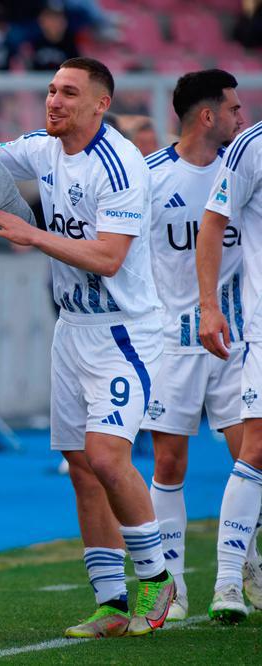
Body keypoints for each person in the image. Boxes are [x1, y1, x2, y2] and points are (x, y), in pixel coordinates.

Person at [0, 56, 175, 637]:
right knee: (78, 465)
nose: (54, 101)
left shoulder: (118, 166)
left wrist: (30, 233)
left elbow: (108, 256)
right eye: (50, 90)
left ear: (100, 104)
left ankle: (156, 577)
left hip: (123, 330)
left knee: (105, 456)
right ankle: (112, 603)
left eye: (68, 93)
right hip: (71, 329)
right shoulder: (44, 148)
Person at [141, 69, 253, 621]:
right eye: (233, 109)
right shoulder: (151, 177)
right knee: (169, 461)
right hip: (172, 341)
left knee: (249, 455)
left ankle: (240, 570)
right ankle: (176, 586)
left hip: (236, 341)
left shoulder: (244, 171)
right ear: (207, 116)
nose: (242, 117)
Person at [197, 97, 262, 624]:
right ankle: (227, 582)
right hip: (261, 330)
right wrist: (210, 306)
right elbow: (213, 225)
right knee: (256, 446)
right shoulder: (250, 146)